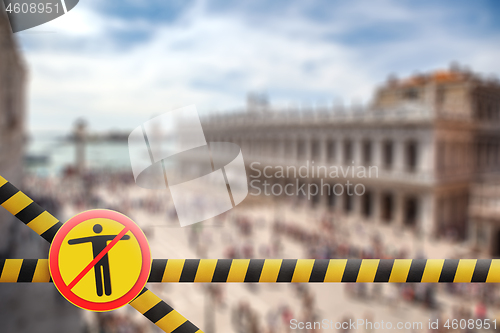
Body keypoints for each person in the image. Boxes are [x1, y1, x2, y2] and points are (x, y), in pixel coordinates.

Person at [68, 223, 130, 296]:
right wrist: (127, 236)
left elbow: (79, 240)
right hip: (103, 259)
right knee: (105, 274)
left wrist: (69, 241)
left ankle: (101, 292)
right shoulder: (103, 237)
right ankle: (107, 291)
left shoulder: (92, 238)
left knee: (99, 275)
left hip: (96, 260)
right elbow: (117, 237)